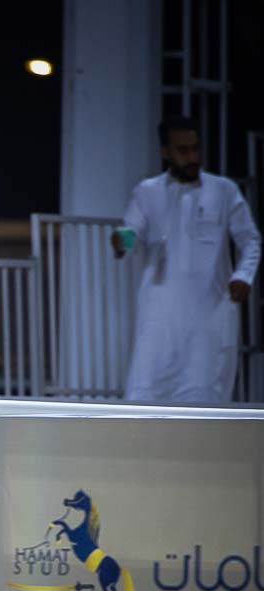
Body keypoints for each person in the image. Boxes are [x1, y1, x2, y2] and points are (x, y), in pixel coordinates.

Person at [112, 115, 260, 404]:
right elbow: (132, 234)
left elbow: (250, 239)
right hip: (159, 314)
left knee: (204, 396)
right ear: (165, 152)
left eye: (196, 148)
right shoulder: (147, 191)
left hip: (209, 314)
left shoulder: (223, 190)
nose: (192, 157)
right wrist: (121, 242)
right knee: (146, 392)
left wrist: (243, 275)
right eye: (183, 150)